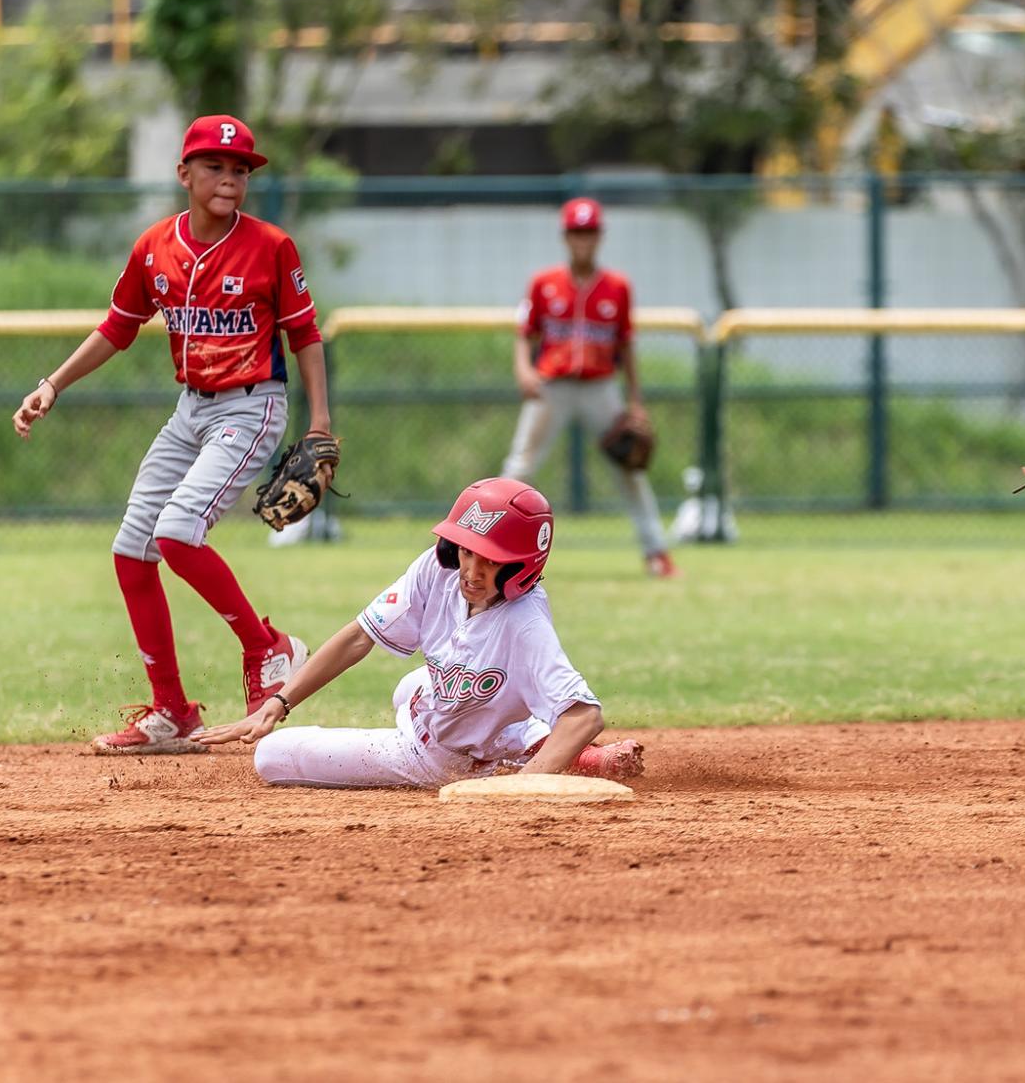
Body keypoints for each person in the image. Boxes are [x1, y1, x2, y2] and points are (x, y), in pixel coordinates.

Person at [13, 115, 326, 755]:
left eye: (240, 170)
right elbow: (117, 328)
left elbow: (305, 335)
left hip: (251, 406)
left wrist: (320, 423)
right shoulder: (155, 246)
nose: (230, 178)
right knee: (133, 550)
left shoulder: (271, 246)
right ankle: (172, 712)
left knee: (178, 532)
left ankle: (268, 647)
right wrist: (53, 384)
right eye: (215, 166)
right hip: (190, 410)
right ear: (184, 174)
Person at [198, 478, 646, 788]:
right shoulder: (437, 570)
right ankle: (533, 746)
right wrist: (278, 702)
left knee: (270, 757)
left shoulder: (523, 622)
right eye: (467, 551)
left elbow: (584, 716)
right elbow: (360, 636)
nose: (471, 569)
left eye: (490, 560)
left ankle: (503, 759)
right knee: (410, 686)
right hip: (451, 705)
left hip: (433, 757)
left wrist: (526, 789)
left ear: (521, 566)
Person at [505, 196, 677, 577]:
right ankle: (481, 546)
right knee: (520, 466)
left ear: (600, 237)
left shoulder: (617, 287)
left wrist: (635, 400)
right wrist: (523, 370)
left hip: (601, 388)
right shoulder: (543, 284)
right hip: (552, 385)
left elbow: (626, 345)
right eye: (577, 232)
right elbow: (524, 333)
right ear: (566, 237)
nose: (583, 240)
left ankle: (656, 552)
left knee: (630, 469)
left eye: (589, 232)